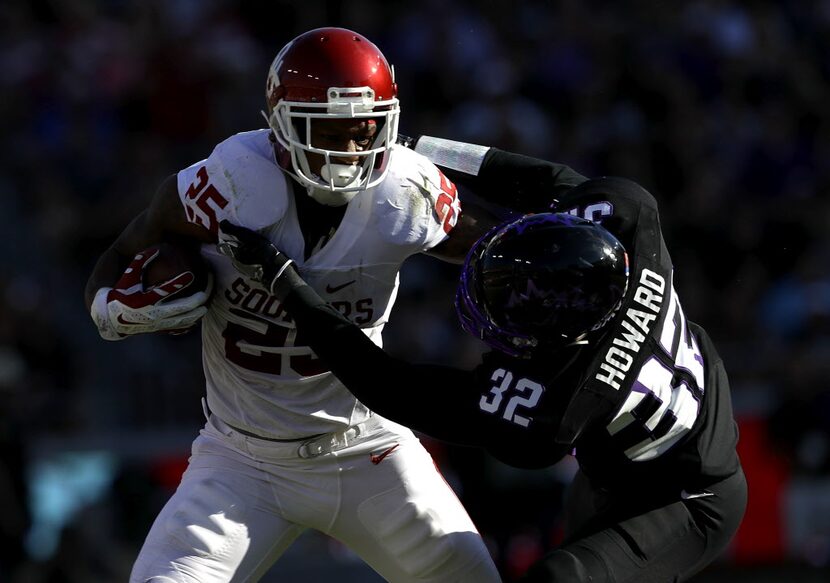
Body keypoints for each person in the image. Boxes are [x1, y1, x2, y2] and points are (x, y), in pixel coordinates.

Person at [216, 138, 748, 582]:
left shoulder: (556, 401)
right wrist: (410, 151)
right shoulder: (628, 221)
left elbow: (388, 386)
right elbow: (546, 180)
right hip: (639, 454)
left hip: (687, 497)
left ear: (560, 338)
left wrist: (285, 284)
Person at [84, 29, 501, 582]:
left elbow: (500, 251)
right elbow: (123, 250)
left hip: (367, 448)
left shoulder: (404, 191)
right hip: (240, 462)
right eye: (329, 130)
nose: (349, 151)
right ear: (280, 123)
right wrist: (111, 309)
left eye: (363, 130)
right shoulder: (233, 181)